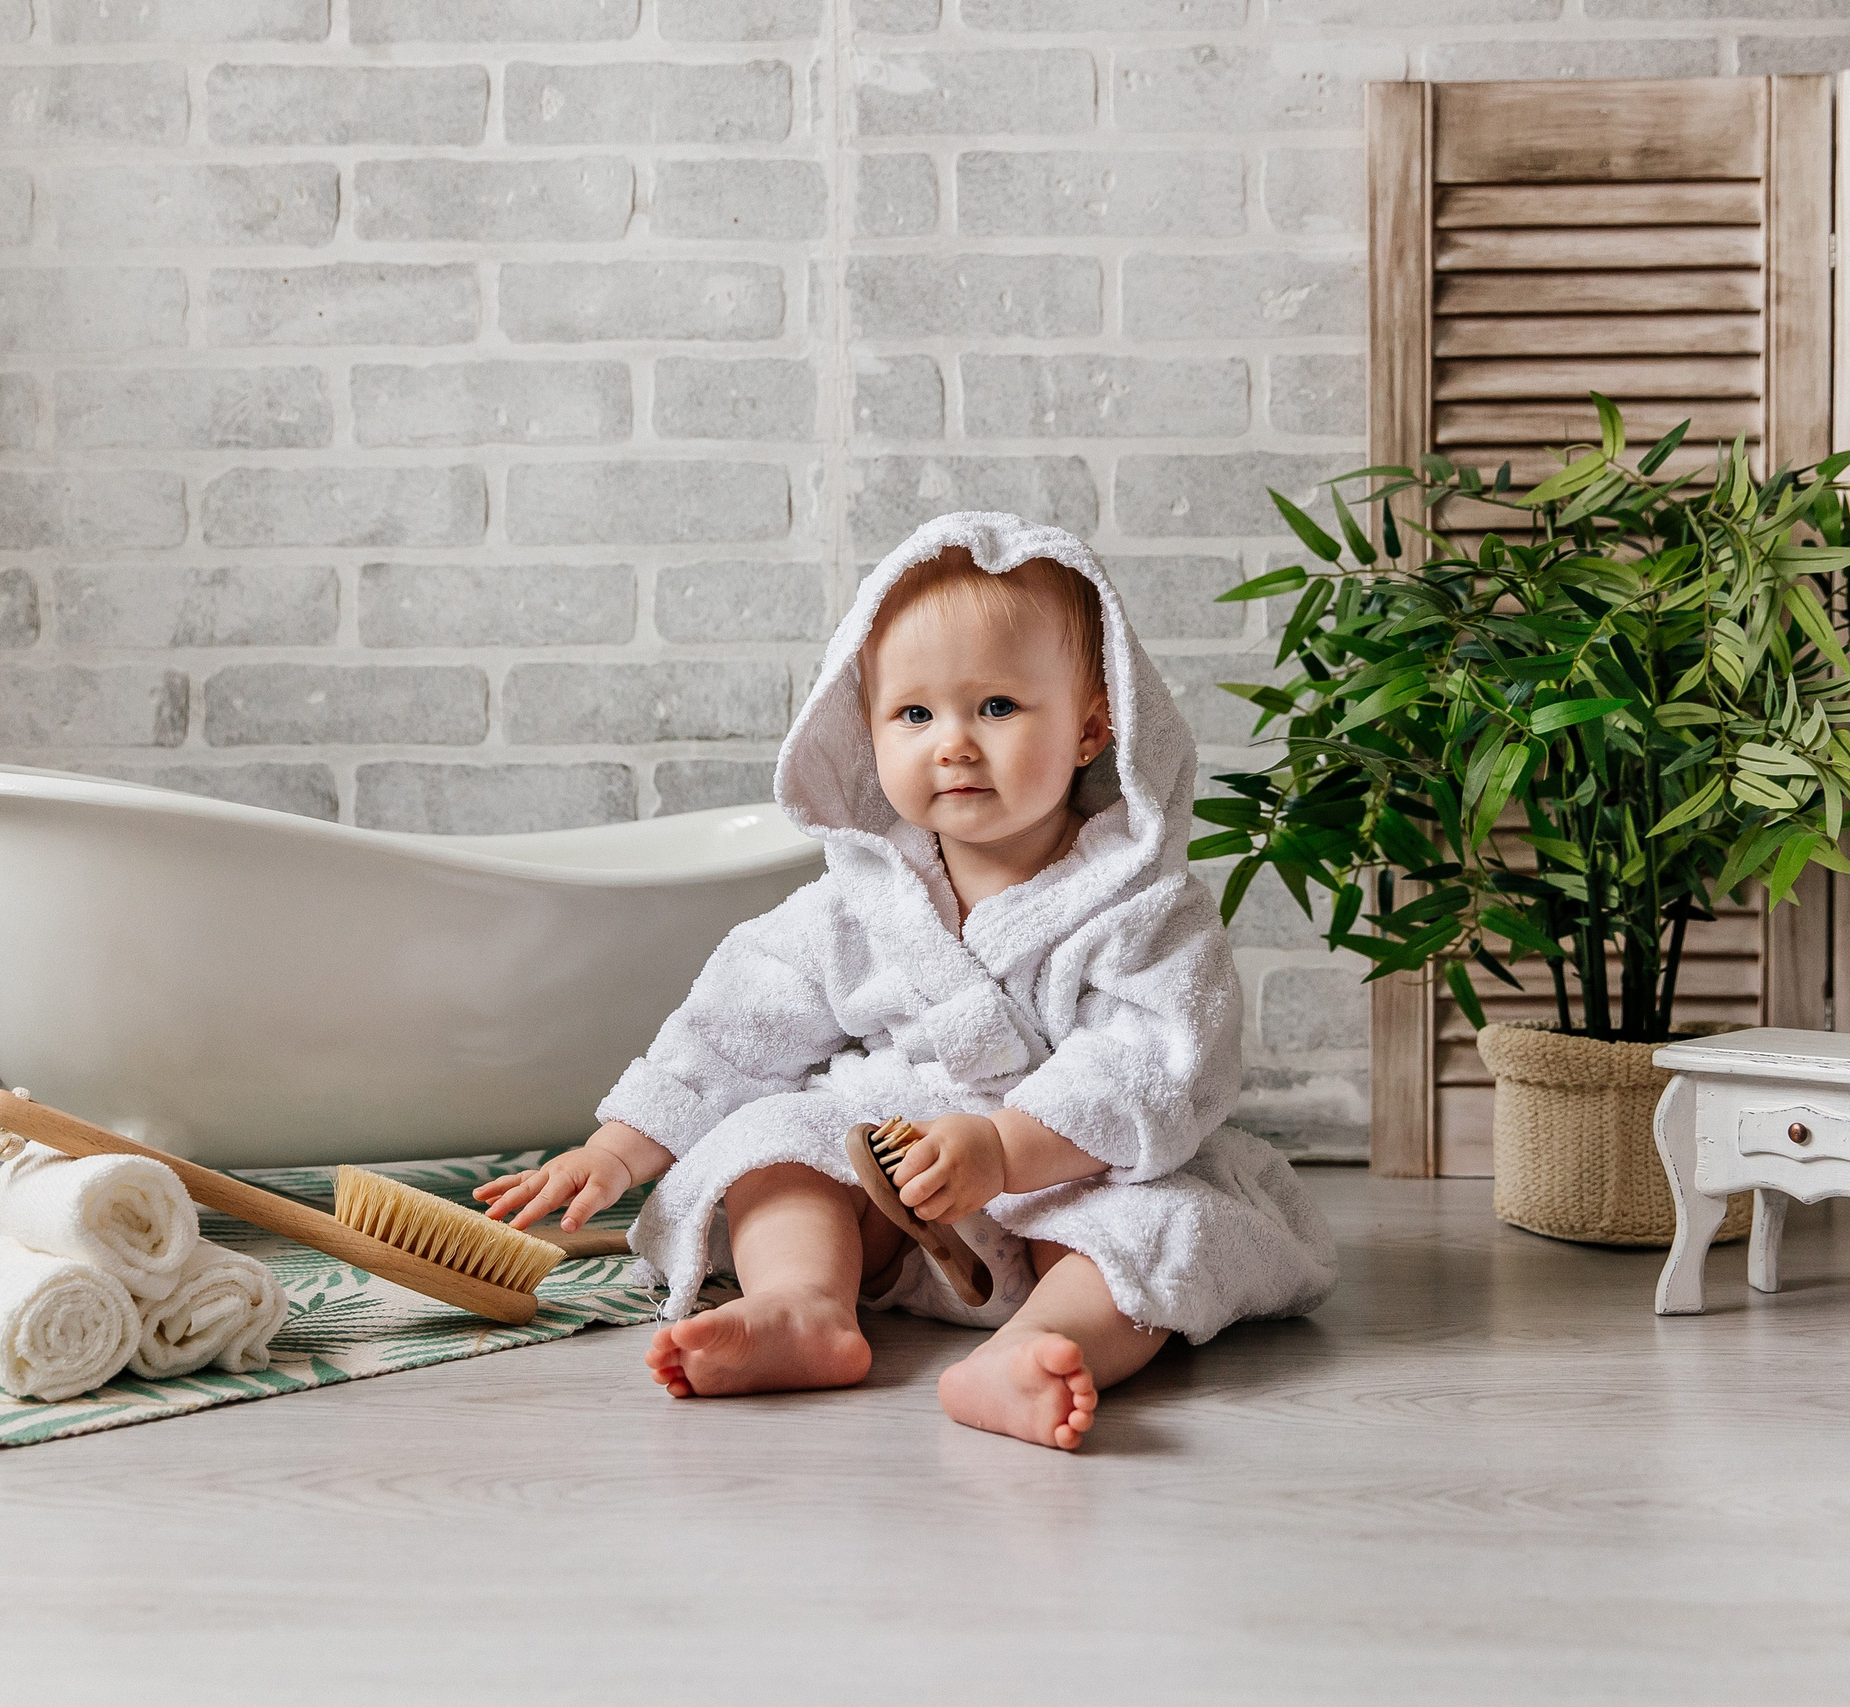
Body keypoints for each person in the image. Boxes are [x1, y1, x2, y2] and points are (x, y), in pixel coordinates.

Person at [478, 511, 1336, 1449]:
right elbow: (738, 1020)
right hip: (891, 1193)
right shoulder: (861, 901)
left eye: (997, 708)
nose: (954, 744)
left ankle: (1041, 1346)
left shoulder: (1141, 907)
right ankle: (805, 1305)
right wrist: (620, 1145)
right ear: (867, 729)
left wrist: (1004, 1149)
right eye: (915, 714)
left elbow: (1156, 1066)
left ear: (1093, 726)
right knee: (771, 1138)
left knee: (1163, 1228)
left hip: (1064, 1184)